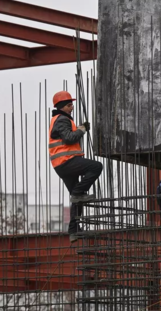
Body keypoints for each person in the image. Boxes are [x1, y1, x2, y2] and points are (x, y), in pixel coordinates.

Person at [50, 90, 102, 242]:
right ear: (61, 107)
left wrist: (78, 128)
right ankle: (78, 194)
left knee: (77, 198)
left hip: (62, 164)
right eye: (68, 105)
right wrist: (82, 129)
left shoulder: (60, 120)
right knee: (96, 167)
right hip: (66, 162)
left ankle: (74, 230)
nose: (72, 107)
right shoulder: (61, 119)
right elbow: (68, 138)